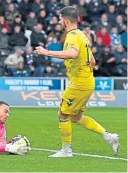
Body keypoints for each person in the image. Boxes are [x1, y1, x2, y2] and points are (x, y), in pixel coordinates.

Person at [35, 6, 119, 158]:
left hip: (79, 83)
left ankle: (66, 150)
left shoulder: (72, 35)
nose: (59, 22)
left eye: (60, 19)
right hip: (86, 80)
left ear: (66, 20)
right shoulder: (83, 35)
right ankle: (108, 136)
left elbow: (73, 54)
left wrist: (47, 52)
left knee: (62, 115)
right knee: (76, 117)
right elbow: (92, 61)